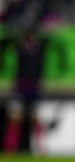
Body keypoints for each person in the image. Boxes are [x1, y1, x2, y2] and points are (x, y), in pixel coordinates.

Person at [3, 26, 45, 154]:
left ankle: (41, 149)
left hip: (33, 89)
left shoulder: (38, 51)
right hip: (21, 88)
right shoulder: (20, 49)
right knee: (15, 120)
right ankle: (10, 149)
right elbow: (5, 42)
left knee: (36, 120)